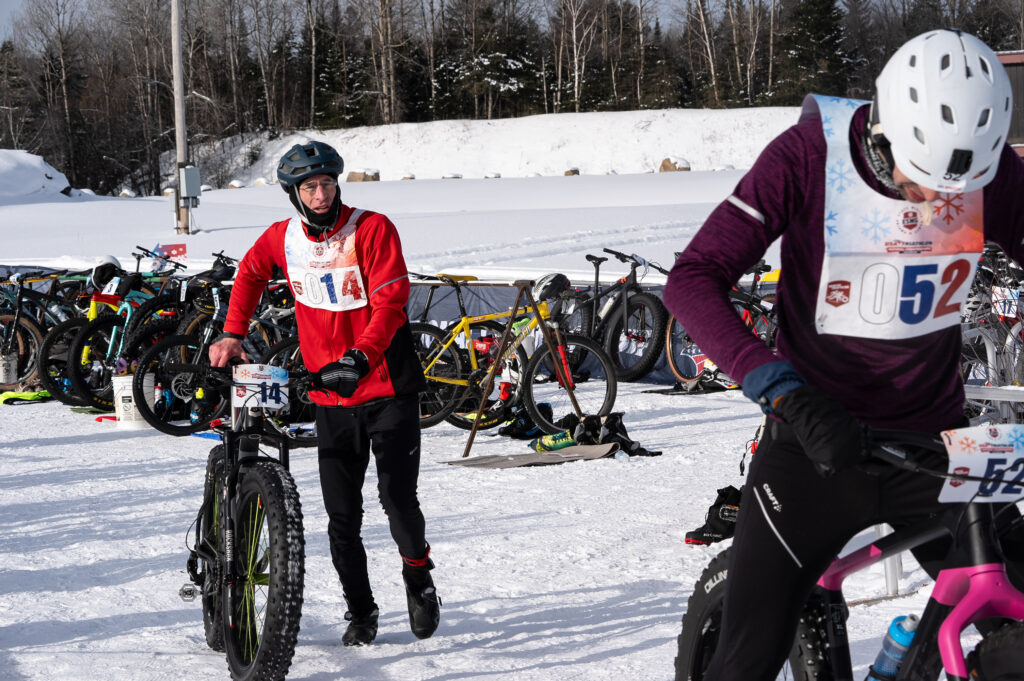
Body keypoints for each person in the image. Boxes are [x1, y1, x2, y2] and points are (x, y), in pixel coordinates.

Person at [664, 29, 1024, 681]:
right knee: (745, 659)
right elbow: (692, 279)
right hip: (813, 444)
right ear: (886, 134)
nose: (942, 203)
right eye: (925, 182)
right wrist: (783, 391)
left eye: (961, 189)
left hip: (938, 444)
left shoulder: (989, 173)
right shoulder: (807, 155)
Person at [209, 140, 439, 646]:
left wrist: (359, 358)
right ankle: (361, 611)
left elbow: (391, 303)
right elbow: (248, 274)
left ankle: (418, 575)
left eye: (327, 184)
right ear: (294, 192)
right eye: (309, 186)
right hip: (331, 398)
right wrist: (231, 331)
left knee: (397, 500)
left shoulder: (372, 228)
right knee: (342, 516)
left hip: (386, 385)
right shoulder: (282, 238)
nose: (320, 194)